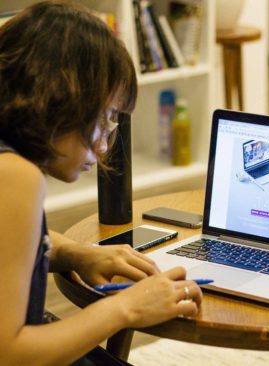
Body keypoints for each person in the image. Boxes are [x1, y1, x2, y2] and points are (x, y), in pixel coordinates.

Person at [0, 1, 202, 365]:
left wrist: (75, 253)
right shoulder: (15, 176)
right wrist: (128, 307)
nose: (106, 144)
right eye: (107, 118)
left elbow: (9, 242)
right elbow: (10, 353)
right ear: (63, 99)